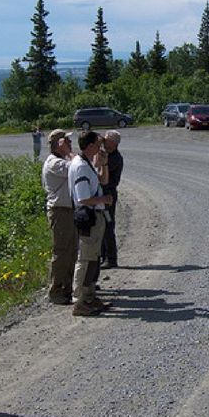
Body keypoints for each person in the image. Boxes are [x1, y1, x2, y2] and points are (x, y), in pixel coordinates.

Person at [68, 131, 114, 316]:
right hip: (88, 217)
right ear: (89, 146)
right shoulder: (80, 167)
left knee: (93, 257)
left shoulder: (87, 164)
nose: (100, 147)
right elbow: (83, 197)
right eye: (97, 143)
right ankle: (78, 301)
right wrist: (104, 198)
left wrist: (103, 164)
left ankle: (89, 295)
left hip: (95, 216)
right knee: (85, 259)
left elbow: (103, 180)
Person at [41, 129, 77, 305]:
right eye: (66, 142)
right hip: (60, 211)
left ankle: (68, 288)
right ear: (58, 144)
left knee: (71, 252)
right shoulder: (54, 163)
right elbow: (74, 168)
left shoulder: (62, 160)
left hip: (69, 210)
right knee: (61, 252)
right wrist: (68, 152)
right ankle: (55, 290)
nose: (70, 144)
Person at [100, 130, 124, 268]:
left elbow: (106, 177)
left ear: (113, 143)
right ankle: (104, 256)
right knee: (102, 226)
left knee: (108, 225)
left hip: (108, 195)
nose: (104, 140)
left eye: (106, 139)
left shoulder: (114, 158)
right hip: (104, 194)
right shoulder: (108, 155)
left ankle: (111, 258)